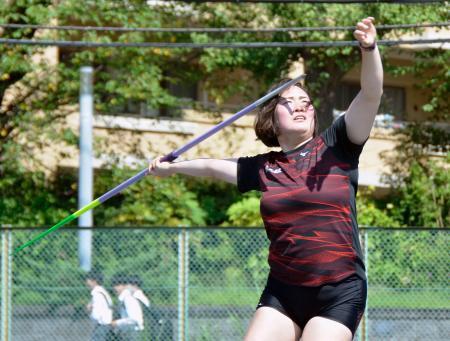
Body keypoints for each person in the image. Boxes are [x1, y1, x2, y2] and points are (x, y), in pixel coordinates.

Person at [149, 17, 382, 341]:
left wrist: (369, 49)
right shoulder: (265, 168)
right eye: (289, 103)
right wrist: (171, 167)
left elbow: (371, 94)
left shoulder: (338, 145)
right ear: (272, 118)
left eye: (306, 103)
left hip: (339, 288)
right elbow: (215, 167)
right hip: (284, 290)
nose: (301, 107)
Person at [110, 274, 144, 341]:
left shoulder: (128, 298)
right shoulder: (124, 298)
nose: (115, 288)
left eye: (118, 285)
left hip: (134, 332)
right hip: (129, 332)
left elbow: (134, 319)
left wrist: (116, 323)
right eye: (114, 285)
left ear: (124, 286)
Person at [85, 270, 114, 341]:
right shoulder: (102, 292)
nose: (86, 282)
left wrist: (90, 311)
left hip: (101, 325)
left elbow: (96, 314)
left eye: (88, 280)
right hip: (106, 325)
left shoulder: (97, 294)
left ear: (94, 281)